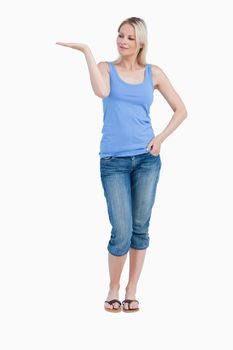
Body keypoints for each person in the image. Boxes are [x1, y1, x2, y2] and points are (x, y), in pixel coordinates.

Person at [56, 16, 187, 313]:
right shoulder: (106, 69)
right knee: (122, 229)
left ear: (140, 42)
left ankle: (131, 290)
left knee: (140, 228)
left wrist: (161, 138)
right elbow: (101, 92)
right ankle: (113, 288)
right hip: (113, 161)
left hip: (146, 160)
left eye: (129, 37)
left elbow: (181, 110)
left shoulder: (154, 73)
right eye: (119, 35)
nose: (122, 41)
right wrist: (87, 52)